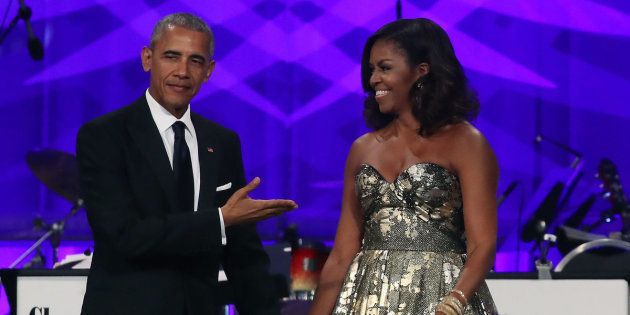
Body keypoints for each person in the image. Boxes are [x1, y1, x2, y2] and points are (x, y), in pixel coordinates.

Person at [76, 13, 297, 315]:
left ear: (209, 70)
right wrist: (219, 220)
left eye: (195, 60)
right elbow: (124, 236)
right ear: (147, 58)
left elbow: (241, 252)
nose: (182, 71)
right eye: (171, 56)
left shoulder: (222, 142)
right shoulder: (104, 136)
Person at [310, 18, 498, 315]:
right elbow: (341, 255)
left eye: (385, 68)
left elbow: (483, 243)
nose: (373, 79)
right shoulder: (362, 148)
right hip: (367, 299)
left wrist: (455, 302)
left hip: (442, 297)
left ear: (421, 71)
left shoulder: (466, 142)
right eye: (371, 70)